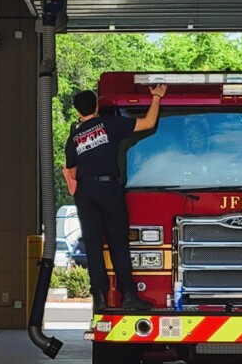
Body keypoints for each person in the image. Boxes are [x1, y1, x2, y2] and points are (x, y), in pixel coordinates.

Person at [63, 85, 167, 312]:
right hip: (109, 188)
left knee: (92, 245)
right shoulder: (110, 125)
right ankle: (129, 295)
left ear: (77, 111)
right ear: (97, 106)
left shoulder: (74, 138)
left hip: (86, 193)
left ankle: (99, 297)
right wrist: (156, 97)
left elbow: (71, 173)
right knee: (118, 242)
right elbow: (148, 123)